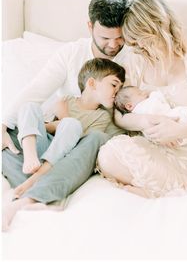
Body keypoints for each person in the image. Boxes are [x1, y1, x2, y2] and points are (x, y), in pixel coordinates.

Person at [97, 0, 187, 198]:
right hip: (159, 154)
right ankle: (173, 187)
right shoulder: (135, 62)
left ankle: (169, 189)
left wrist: (178, 130)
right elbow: (119, 114)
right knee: (109, 155)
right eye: (134, 42)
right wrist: (145, 121)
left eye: (143, 40)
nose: (140, 47)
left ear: (160, 29)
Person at [2, 0, 129, 211]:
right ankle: (39, 187)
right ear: (90, 27)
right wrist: (3, 124)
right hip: (55, 137)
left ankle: (38, 191)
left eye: (119, 38)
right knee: (13, 135)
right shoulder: (71, 53)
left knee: (97, 138)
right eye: (105, 38)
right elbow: (36, 91)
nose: (113, 45)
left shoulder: (132, 59)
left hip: (84, 143)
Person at [3, 58, 126, 231]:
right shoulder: (66, 100)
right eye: (114, 85)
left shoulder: (103, 116)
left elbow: (82, 146)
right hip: (44, 149)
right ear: (92, 83)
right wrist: (58, 123)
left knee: (75, 127)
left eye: (120, 88)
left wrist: (65, 119)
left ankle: (34, 185)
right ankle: (31, 164)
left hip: (63, 158)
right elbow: (44, 127)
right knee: (28, 108)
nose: (117, 92)